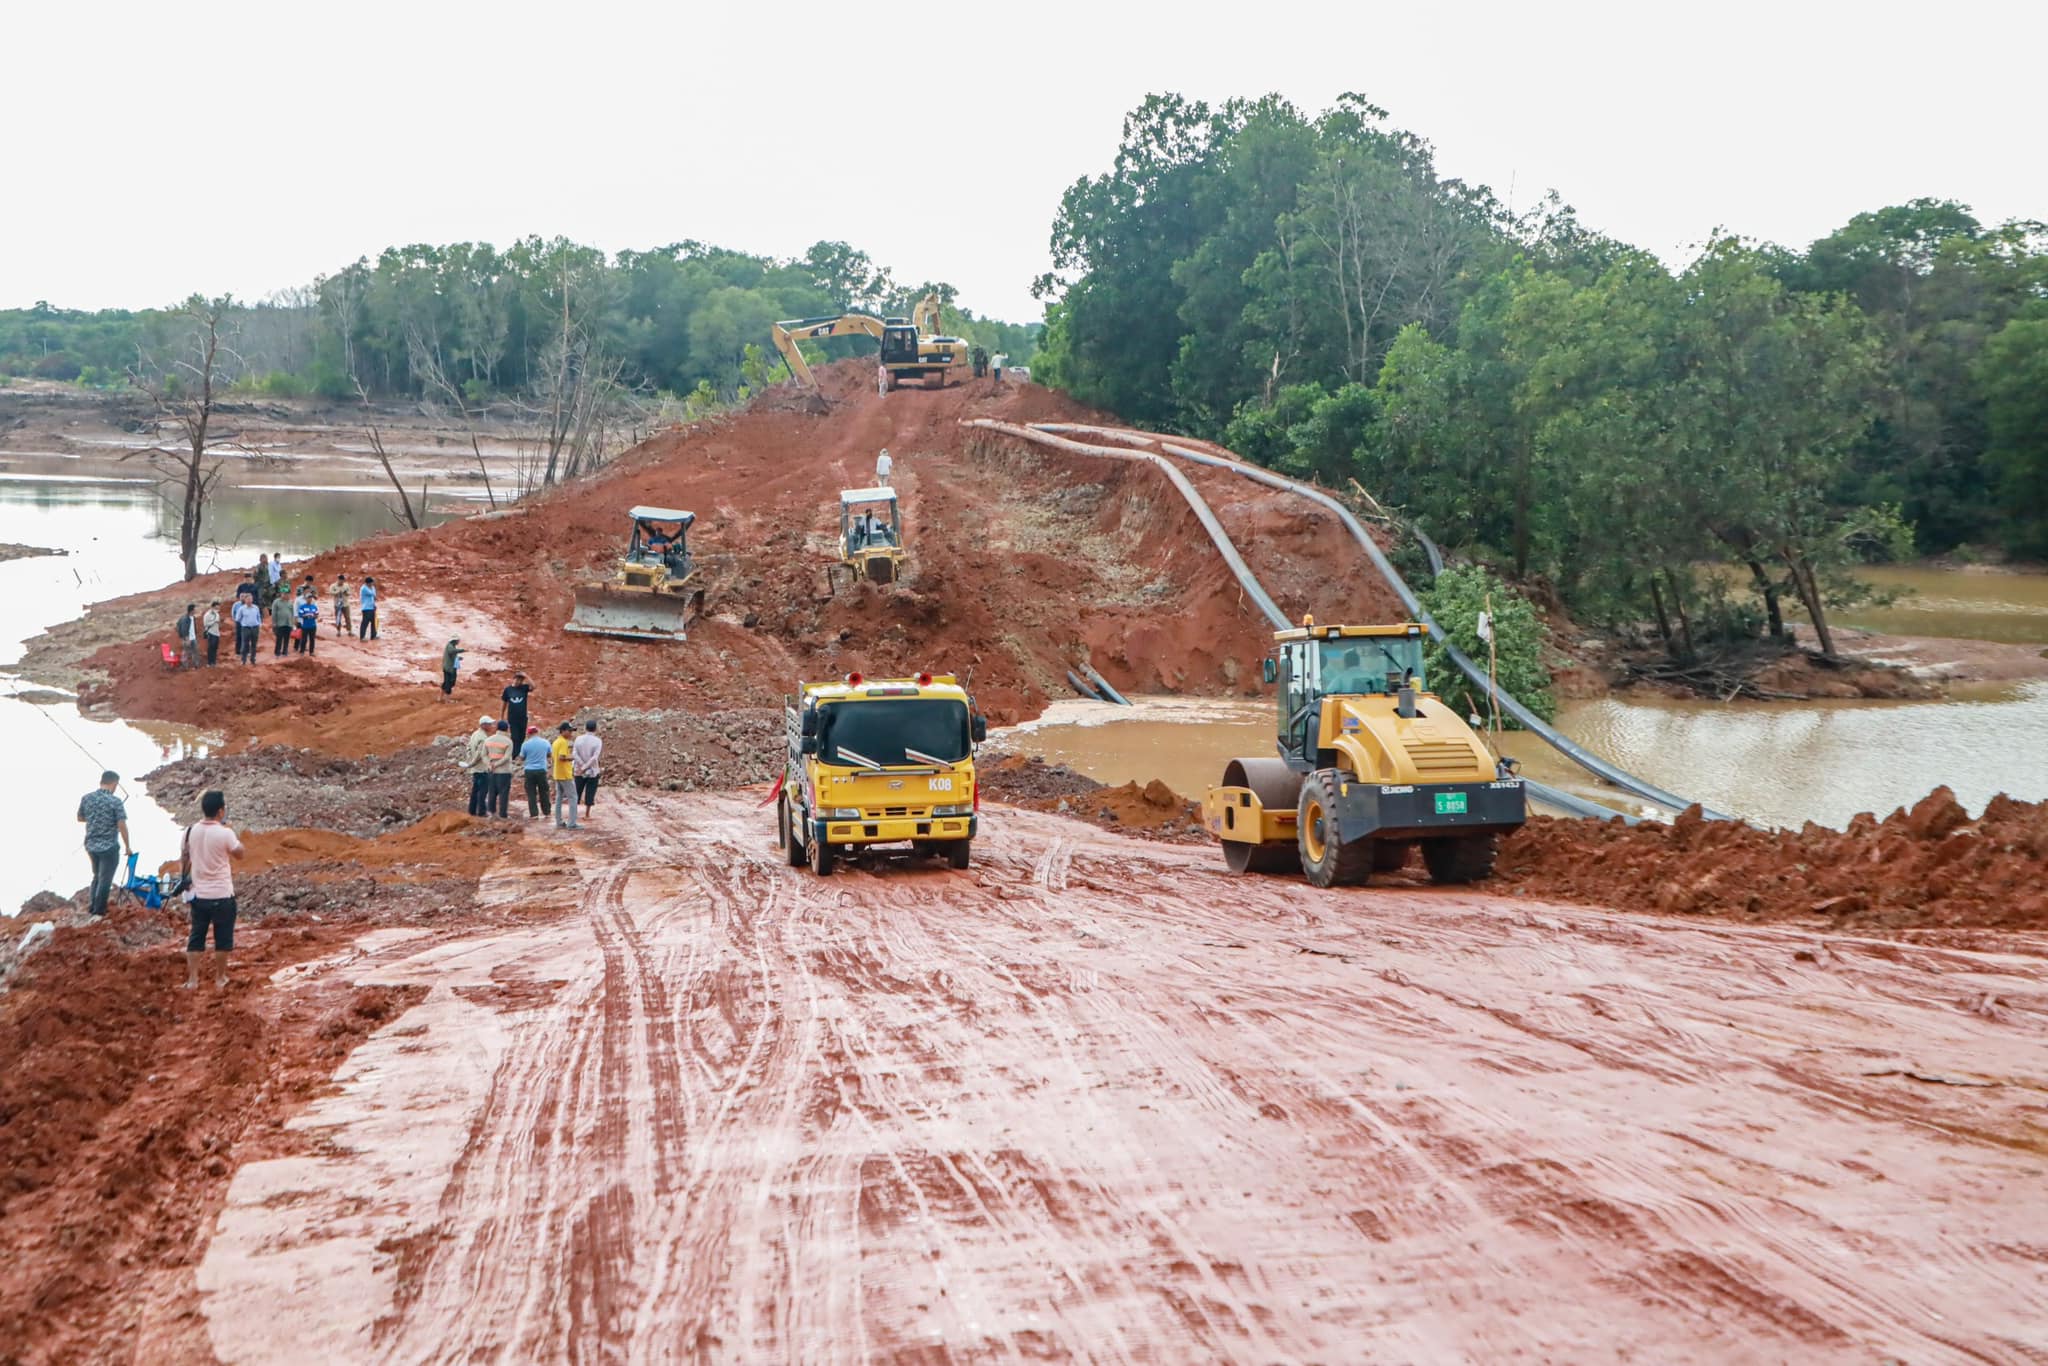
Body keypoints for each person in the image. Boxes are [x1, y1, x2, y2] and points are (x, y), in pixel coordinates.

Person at [181, 790, 244, 989]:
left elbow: (184, 859)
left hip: (199, 894)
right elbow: (239, 854)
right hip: (222, 894)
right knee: (223, 938)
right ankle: (220, 977)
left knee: (196, 936)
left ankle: (193, 980)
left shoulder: (190, 831)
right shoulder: (225, 833)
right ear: (220, 811)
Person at [76, 770, 131, 918]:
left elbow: (80, 818)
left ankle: (93, 906)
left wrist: (95, 818)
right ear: (114, 783)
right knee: (105, 879)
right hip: (109, 847)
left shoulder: (87, 798)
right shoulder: (115, 801)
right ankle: (99, 912)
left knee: (96, 876)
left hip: (91, 845)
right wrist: (127, 846)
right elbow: (122, 825)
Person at [463, 716, 497, 816]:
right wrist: (472, 762)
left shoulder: (474, 734)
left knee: (475, 790)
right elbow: (480, 753)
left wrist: (470, 760)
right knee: (483, 790)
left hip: (475, 768)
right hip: (482, 768)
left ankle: (472, 810)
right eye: (489, 724)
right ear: (483, 725)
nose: (491, 726)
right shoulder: (483, 738)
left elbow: (468, 747)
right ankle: (482, 811)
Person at [483, 720, 515, 817]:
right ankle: (503, 814)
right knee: (503, 793)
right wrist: (497, 764)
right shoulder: (508, 741)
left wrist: (489, 765)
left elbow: (483, 755)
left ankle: (491, 812)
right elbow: (506, 757)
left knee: (492, 792)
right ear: (506, 729)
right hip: (504, 771)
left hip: (491, 771)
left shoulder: (488, 740)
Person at [572, 718, 603, 820]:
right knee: (590, 791)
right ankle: (587, 814)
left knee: (577, 791)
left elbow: (574, 754)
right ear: (595, 729)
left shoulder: (578, 739)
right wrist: (586, 766)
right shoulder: (598, 741)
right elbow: (595, 757)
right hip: (593, 770)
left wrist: (582, 766)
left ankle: (574, 813)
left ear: (585, 728)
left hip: (578, 770)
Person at [519, 726, 553, 818]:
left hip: (529, 770)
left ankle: (534, 814)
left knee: (531, 793)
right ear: (537, 732)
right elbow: (549, 754)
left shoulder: (525, 744)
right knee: (544, 792)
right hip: (541, 770)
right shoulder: (545, 742)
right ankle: (546, 812)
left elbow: (521, 757)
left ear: (529, 734)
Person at [551, 722, 579, 829]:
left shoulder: (556, 742)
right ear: (563, 731)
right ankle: (572, 823)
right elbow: (562, 757)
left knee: (559, 798)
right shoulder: (563, 742)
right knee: (573, 797)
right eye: (569, 731)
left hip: (557, 773)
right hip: (565, 774)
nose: (571, 733)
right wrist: (572, 757)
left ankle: (559, 821)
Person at [500, 671, 533, 741]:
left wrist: (526, 676)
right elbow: (504, 704)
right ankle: (515, 751)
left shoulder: (524, 688)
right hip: (512, 718)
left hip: (523, 718)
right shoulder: (508, 690)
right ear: (514, 679)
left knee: (522, 737)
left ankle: (519, 750)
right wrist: (502, 717)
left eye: (521, 680)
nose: (519, 681)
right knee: (515, 737)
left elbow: (533, 686)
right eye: (517, 679)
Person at [232, 592, 262, 664]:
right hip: (246, 628)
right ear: (245, 600)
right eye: (248, 599)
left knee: (254, 644)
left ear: (252, 599)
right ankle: (243, 660)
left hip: (255, 628)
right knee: (245, 644)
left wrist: (259, 624)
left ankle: (253, 659)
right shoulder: (242, 609)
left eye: (250, 599)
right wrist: (243, 623)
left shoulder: (256, 607)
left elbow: (258, 617)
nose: (249, 600)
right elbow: (237, 618)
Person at [295, 590, 320, 656]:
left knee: (312, 639)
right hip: (305, 626)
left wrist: (313, 616)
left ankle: (311, 652)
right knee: (304, 639)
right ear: (306, 599)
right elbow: (300, 614)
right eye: (308, 598)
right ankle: (302, 651)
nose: (310, 599)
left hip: (313, 625)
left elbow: (317, 615)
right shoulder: (302, 607)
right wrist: (306, 615)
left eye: (311, 598)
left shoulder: (314, 607)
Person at [269, 588, 293, 656]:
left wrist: (292, 623)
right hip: (279, 624)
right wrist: (274, 623)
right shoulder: (276, 602)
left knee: (287, 639)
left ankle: (285, 651)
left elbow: (292, 613)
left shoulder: (290, 602)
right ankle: (277, 653)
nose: (287, 595)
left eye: (288, 594)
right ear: (281, 594)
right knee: (279, 639)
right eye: (285, 594)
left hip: (288, 624)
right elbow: (274, 613)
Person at [175, 603, 198, 667]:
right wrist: (187, 639)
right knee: (186, 652)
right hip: (187, 639)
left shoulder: (193, 617)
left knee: (195, 651)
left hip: (193, 638)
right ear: (191, 610)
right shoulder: (185, 619)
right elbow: (184, 630)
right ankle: (185, 666)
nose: (195, 610)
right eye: (194, 609)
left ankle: (196, 665)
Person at [201, 600, 222, 667]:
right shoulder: (207, 615)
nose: (217, 609)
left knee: (215, 648)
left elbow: (218, 623)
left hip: (216, 633)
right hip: (210, 633)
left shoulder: (217, 614)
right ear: (212, 607)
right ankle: (209, 662)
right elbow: (205, 624)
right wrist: (214, 622)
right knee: (211, 648)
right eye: (216, 608)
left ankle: (214, 662)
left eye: (218, 608)